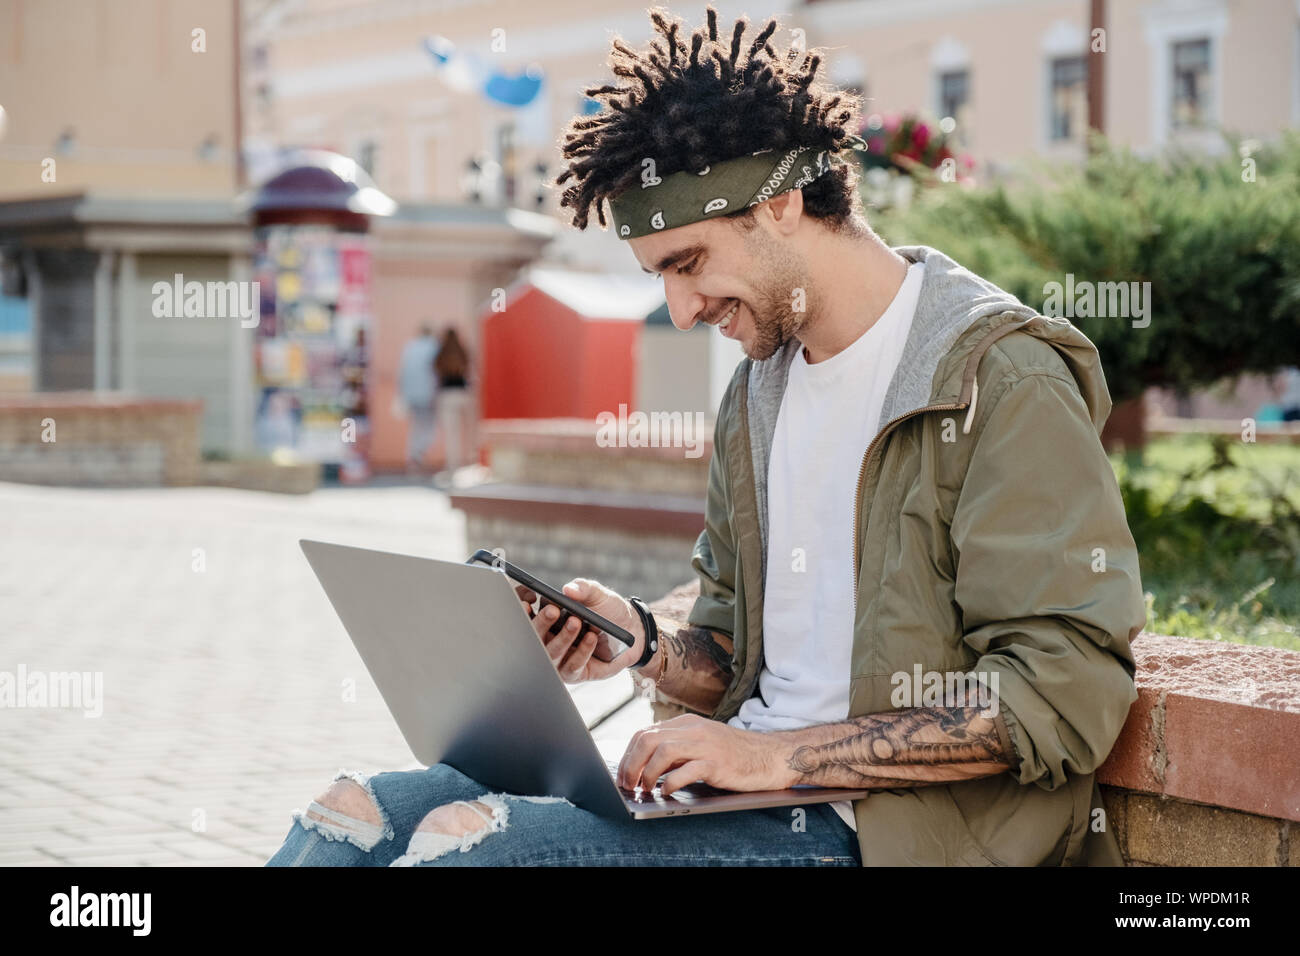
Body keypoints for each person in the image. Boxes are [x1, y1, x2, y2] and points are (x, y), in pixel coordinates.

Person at [267, 5, 1143, 867]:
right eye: (660, 277)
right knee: (349, 819)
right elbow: (730, 652)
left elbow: (1060, 694)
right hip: (735, 795)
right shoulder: (761, 385)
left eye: (688, 265)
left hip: (880, 832)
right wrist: (640, 641)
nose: (681, 311)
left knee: (475, 857)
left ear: (785, 202)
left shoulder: (1000, 377)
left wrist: (777, 759)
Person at [432, 326, 473, 486]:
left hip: (447, 394)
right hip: (463, 393)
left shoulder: (441, 353)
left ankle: (453, 465)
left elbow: (436, 370)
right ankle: (470, 461)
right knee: (467, 432)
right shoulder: (462, 351)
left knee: (451, 433)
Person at [396, 325, 439, 474]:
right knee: (428, 428)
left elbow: (402, 372)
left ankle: (414, 458)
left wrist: (402, 393)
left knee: (415, 428)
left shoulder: (410, 347)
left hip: (412, 394)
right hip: (428, 394)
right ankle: (418, 455)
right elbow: (437, 372)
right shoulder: (434, 347)